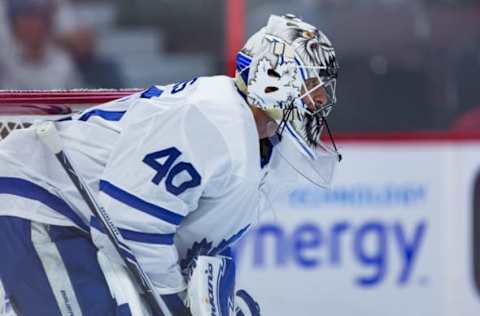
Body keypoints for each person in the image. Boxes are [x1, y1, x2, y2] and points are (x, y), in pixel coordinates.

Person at [0, 14, 340, 315]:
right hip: (40, 200)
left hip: (73, 218)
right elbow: (129, 219)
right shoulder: (213, 120)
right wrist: (175, 301)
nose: (323, 99)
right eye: (313, 85)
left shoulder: (258, 144)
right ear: (273, 75)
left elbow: (195, 246)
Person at [0, 0, 81, 90]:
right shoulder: (4, 62)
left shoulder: (64, 63)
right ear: (14, 24)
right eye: (26, 19)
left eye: (39, 18)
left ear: (48, 23)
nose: (34, 25)